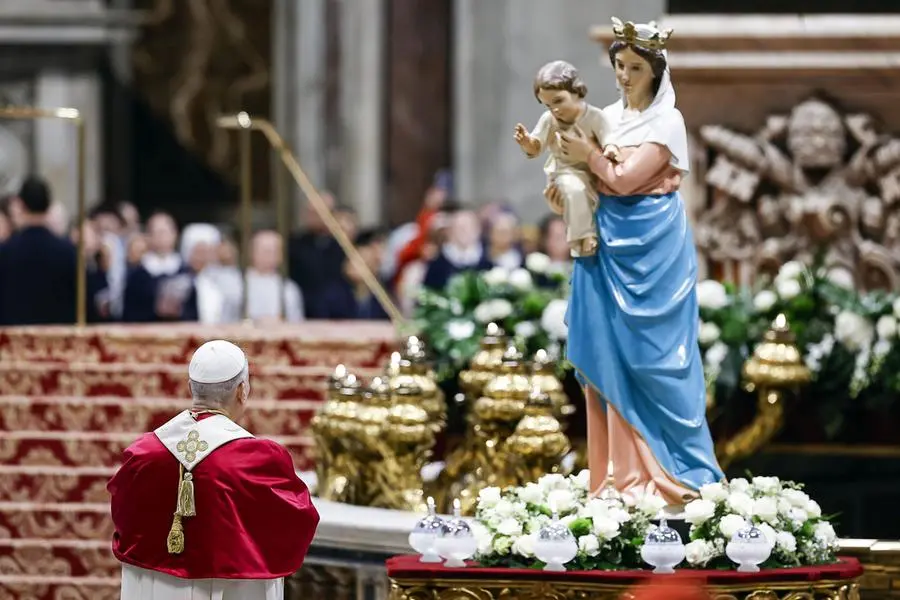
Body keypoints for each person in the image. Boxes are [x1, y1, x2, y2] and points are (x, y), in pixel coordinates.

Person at [549, 18, 723, 506]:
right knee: (605, 349)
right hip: (604, 241)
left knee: (656, 357)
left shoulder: (668, 121)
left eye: (635, 68)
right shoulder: (606, 118)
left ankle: (679, 474)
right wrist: (566, 189)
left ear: (656, 72)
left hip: (653, 243)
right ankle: (615, 477)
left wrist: (590, 157)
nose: (624, 76)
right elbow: (591, 177)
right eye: (620, 66)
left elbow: (626, 179)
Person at [108, 340, 320, 599]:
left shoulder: (143, 454)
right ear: (242, 391)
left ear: (190, 388)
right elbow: (297, 520)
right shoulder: (259, 459)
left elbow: (123, 514)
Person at [515, 60, 609, 257]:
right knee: (574, 189)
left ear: (576, 91)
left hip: (594, 175)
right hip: (564, 171)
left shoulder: (596, 117)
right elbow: (537, 145)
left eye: (558, 101)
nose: (554, 110)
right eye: (548, 105)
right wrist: (527, 142)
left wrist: (606, 151)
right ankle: (583, 237)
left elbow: (610, 143)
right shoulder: (549, 120)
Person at [0, 176, 79, 325]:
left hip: (15, 335)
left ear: (21, 205)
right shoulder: (68, 252)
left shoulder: (5, 252)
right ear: (48, 205)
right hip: (59, 335)